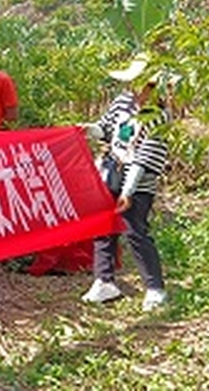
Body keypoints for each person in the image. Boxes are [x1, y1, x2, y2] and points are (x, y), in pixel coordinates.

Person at [81, 54, 169, 312]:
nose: (135, 89)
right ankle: (104, 280)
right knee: (103, 226)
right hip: (111, 173)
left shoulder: (159, 117)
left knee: (135, 231)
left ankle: (155, 288)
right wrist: (89, 129)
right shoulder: (122, 102)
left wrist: (128, 191)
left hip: (139, 184)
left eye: (143, 84)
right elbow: (106, 129)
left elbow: (144, 158)